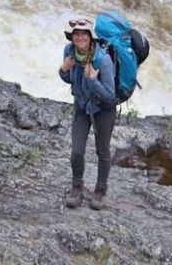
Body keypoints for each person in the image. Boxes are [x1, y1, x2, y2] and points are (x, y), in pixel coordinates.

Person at [59, 15, 116, 210]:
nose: (80, 38)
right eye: (76, 34)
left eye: (84, 34)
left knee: (103, 151)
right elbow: (69, 79)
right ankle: (77, 187)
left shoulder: (103, 60)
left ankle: (100, 190)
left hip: (103, 110)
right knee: (76, 151)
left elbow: (110, 96)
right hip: (82, 107)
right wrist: (63, 71)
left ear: (90, 37)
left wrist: (93, 80)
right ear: (72, 37)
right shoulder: (69, 51)